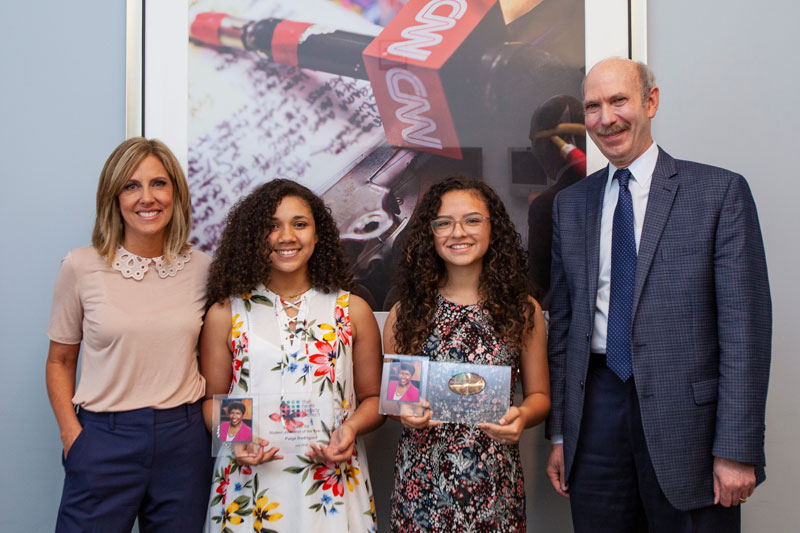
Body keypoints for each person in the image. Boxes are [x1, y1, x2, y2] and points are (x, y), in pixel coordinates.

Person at [545, 58, 771, 532]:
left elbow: (744, 333)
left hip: (689, 424)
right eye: (592, 106)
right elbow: (563, 327)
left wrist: (737, 449)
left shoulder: (718, 193)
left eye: (618, 101)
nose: (605, 118)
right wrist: (562, 434)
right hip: (596, 414)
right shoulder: (571, 205)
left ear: (650, 101)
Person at [45, 137, 213, 532]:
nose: (147, 198)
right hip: (104, 439)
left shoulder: (203, 268)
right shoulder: (80, 267)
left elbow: (219, 370)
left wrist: (237, 438)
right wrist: (74, 437)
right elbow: (60, 360)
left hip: (184, 440)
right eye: (131, 186)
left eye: (158, 183)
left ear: (176, 193)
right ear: (114, 197)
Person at [200, 179, 383, 532]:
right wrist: (236, 437)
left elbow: (374, 399)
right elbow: (212, 401)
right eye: (272, 226)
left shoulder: (352, 310)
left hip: (331, 481)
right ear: (254, 237)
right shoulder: (226, 313)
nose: (287, 236)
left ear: (318, 235)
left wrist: (351, 429)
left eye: (300, 224)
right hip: (247, 484)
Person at [384, 177, 550, 531]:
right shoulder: (406, 312)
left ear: (494, 228)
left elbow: (539, 397)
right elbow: (398, 399)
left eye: (472, 220)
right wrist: (405, 411)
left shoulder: (522, 310)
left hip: (492, 483)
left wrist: (521, 415)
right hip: (422, 484)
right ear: (430, 232)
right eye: (444, 222)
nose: (458, 232)